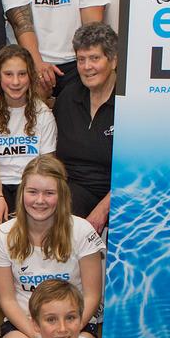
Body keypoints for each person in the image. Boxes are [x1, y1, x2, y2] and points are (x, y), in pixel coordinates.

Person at [0, 155, 103, 338]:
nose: (40, 200)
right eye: (33, 192)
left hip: (73, 323)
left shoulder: (82, 231)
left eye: (49, 193)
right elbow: (7, 300)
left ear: (62, 196)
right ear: (22, 192)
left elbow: (92, 295)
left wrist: (66, 331)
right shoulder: (2, 236)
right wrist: (36, 334)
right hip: (27, 323)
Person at [0, 44, 57, 244]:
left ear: (31, 76)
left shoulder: (43, 114)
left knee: (33, 229)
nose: (16, 81)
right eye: (9, 74)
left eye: (22, 74)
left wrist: (34, 196)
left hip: (29, 182)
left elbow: (47, 169)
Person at [53, 22, 118, 230]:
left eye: (95, 58)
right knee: (58, 214)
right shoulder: (68, 98)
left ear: (113, 60)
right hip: (76, 188)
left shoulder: (130, 103)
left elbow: (139, 170)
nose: (87, 66)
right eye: (81, 60)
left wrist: (103, 209)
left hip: (120, 191)